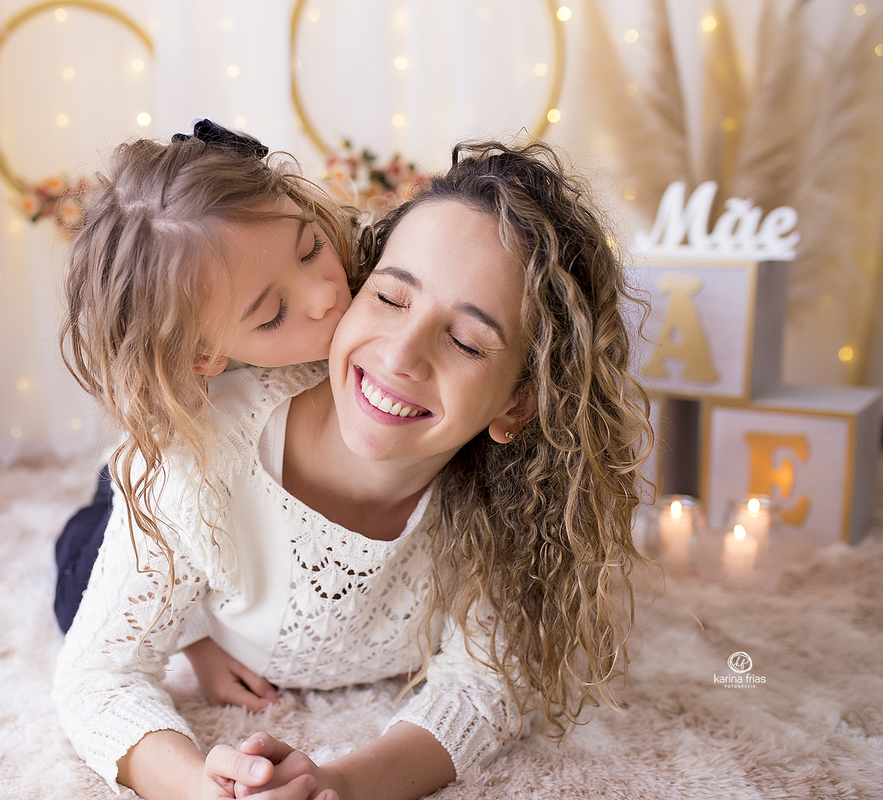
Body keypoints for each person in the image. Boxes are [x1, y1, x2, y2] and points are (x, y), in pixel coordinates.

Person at [54, 138, 652, 800]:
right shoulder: (195, 467)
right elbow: (97, 673)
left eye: (465, 341)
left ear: (519, 401)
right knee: (90, 550)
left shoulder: (508, 511)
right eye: (390, 298)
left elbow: (488, 685)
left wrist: (338, 783)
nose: (399, 357)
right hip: (173, 479)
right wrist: (199, 783)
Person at [55, 119, 366, 710]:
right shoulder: (181, 423)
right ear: (204, 354)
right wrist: (196, 641)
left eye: (309, 250)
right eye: (273, 313)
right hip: (144, 483)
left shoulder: (360, 273)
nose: (324, 293)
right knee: (81, 582)